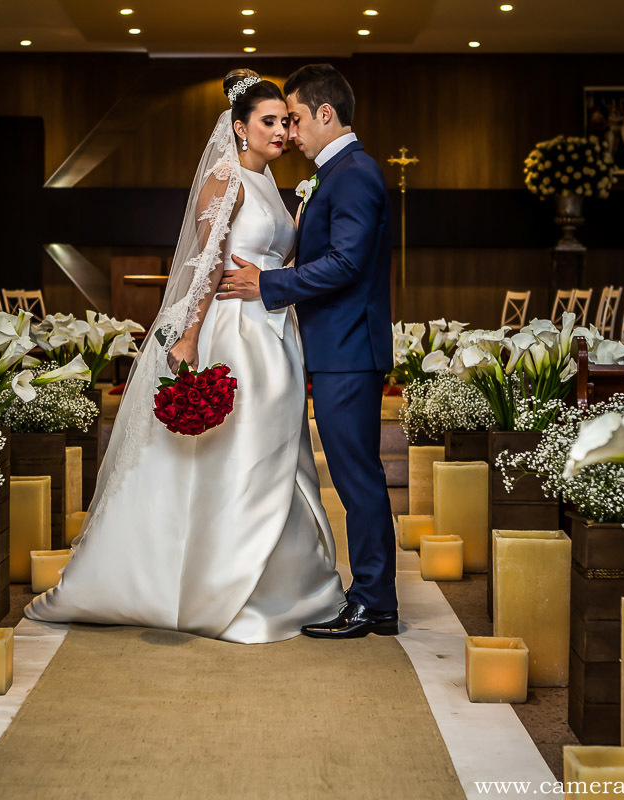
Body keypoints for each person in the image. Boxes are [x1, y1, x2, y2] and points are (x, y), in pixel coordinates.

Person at [24, 69, 345, 644]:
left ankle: (277, 580)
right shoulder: (226, 180)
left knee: (272, 451)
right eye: (268, 121)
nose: (281, 130)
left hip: (273, 330)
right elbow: (204, 265)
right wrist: (190, 335)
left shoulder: (272, 184)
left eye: (284, 120)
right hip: (232, 332)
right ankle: (214, 584)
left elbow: (272, 258)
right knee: (232, 451)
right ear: (239, 128)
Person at [217, 63, 397, 639]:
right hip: (334, 347)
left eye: (294, 118)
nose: (290, 132)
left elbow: (346, 264)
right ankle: (372, 596)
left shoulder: (353, 175)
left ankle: (375, 601)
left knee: (358, 478)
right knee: (352, 475)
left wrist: (267, 286)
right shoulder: (334, 174)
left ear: (325, 114)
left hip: (348, 351)